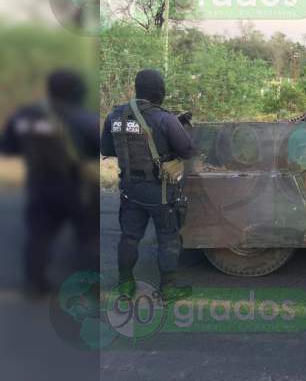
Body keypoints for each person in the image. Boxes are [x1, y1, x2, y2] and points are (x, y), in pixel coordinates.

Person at [1, 70, 100, 298]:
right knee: (88, 238)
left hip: (40, 186)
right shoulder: (84, 118)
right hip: (77, 187)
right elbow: (99, 148)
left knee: (39, 236)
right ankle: (90, 289)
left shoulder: (24, 116)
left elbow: (8, 146)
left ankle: (35, 287)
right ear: (77, 91)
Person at [100, 69, 194, 302]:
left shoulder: (114, 116)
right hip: (160, 191)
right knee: (168, 237)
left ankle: (125, 285)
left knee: (129, 237)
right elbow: (187, 151)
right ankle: (168, 288)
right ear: (160, 92)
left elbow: (107, 150)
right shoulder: (165, 118)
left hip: (130, 188)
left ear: (137, 89)